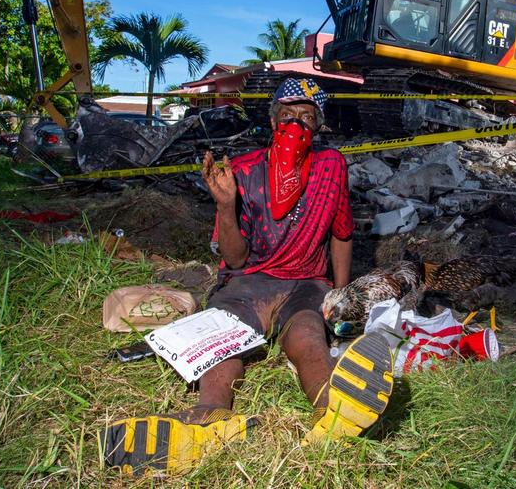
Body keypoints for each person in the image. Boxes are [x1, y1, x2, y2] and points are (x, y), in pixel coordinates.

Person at [102, 78, 394, 475]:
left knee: (308, 335)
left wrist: (339, 296)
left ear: (319, 127)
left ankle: (336, 412)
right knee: (224, 339)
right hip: (248, 282)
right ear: (274, 121)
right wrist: (225, 205)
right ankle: (210, 415)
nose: (297, 125)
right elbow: (235, 260)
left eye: (307, 118)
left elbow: (341, 234)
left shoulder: (330, 166)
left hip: (306, 282)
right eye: (288, 115)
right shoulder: (242, 170)